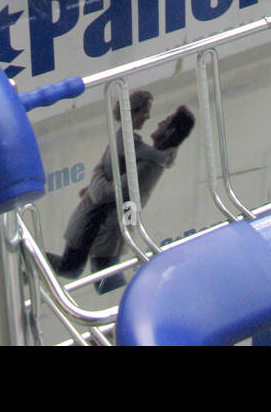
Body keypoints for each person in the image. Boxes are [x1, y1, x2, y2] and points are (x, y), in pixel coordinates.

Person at [48, 92, 193, 293]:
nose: (154, 120)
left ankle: (26, 261)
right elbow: (159, 159)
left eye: (164, 121)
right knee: (83, 273)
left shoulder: (144, 162)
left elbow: (106, 191)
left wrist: (95, 179)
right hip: (98, 222)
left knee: (96, 278)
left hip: (106, 227)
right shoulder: (130, 142)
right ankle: (27, 262)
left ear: (170, 131)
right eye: (146, 112)